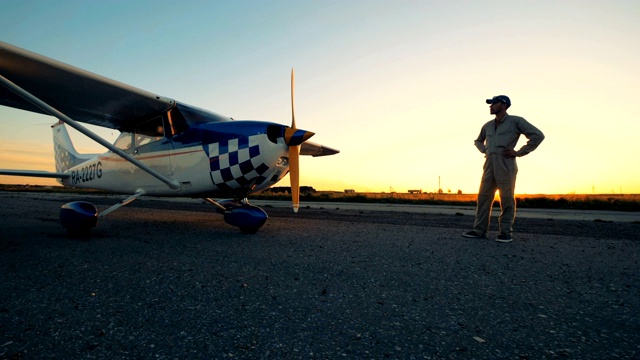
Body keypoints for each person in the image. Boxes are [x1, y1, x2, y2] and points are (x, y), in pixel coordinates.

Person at [463, 95, 545, 243]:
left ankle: (505, 233)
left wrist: (519, 152)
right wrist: (485, 149)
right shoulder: (487, 125)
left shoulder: (516, 121)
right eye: (491, 104)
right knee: (483, 197)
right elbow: (478, 140)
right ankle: (479, 230)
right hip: (489, 163)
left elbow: (538, 136)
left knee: (506, 198)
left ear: (504, 105)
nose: (491, 106)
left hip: (505, 163)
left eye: (494, 103)